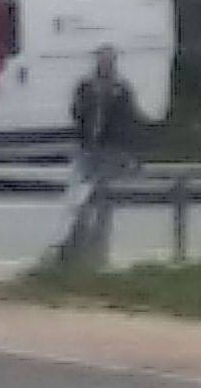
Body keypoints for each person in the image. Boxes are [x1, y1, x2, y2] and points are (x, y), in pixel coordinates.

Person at [59, 45, 142, 267]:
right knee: (79, 199)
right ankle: (75, 248)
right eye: (102, 60)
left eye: (109, 61)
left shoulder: (121, 89)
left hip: (110, 151)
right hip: (87, 148)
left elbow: (128, 122)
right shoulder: (86, 87)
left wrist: (128, 153)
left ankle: (99, 251)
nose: (105, 65)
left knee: (103, 199)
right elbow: (76, 112)